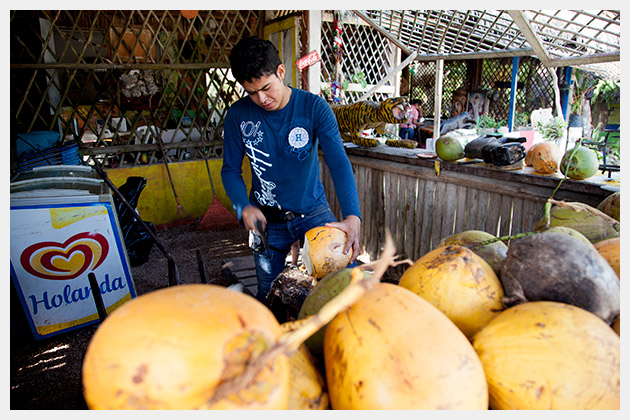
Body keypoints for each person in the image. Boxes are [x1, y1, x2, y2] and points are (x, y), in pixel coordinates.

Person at [221, 36, 362, 302]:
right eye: (251, 92)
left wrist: (353, 216)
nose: (261, 98)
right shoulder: (238, 115)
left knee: (346, 280)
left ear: (281, 72)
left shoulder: (314, 108)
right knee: (268, 294)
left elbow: (339, 163)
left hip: (312, 210)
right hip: (265, 220)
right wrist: (243, 206)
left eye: (266, 87)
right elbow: (230, 170)